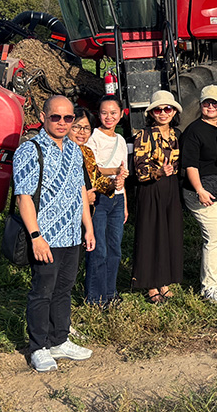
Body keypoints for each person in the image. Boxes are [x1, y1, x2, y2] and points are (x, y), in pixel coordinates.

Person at [14, 95, 95, 373]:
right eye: (56, 117)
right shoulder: (30, 150)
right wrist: (36, 236)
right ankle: (38, 346)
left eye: (68, 118)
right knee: (42, 292)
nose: (62, 123)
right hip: (46, 236)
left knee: (63, 289)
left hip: (72, 234)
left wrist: (88, 227)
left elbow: (81, 192)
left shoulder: (75, 151)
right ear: (44, 116)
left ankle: (59, 339)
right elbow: (23, 197)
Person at [179, 85, 217, 305]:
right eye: (207, 103)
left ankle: (215, 280)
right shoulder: (194, 131)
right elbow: (190, 165)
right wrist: (199, 190)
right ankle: (209, 287)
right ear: (200, 105)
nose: (211, 107)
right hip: (201, 191)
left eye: (215, 103)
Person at [131, 91, 184, 304]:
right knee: (150, 235)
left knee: (169, 234)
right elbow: (140, 169)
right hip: (151, 187)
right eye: (158, 109)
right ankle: (151, 284)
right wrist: (158, 172)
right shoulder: (143, 135)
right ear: (151, 113)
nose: (163, 113)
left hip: (170, 189)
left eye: (167, 109)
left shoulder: (176, 135)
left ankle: (165, 281)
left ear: (174, 112)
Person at [84, 95, 129, 306]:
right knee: (98, 250)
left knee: (114, 250)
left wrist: (125, 203)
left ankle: (110, 293)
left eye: (113, 113)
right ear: (98, 114)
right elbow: (93, 168)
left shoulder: (120, 140)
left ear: (121, 114)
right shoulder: (93, 138)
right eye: (104, 113)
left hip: (117, 201)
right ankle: (95, 297)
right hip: (100, 199)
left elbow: (123, 176)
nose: (109, 117)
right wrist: (115, 171)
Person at [69, 108, 121, 215]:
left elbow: (96, 179)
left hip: (86, 214)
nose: (82, 132)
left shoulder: (87, 152)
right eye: (76, 127)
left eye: (86, 128)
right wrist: (83, 200)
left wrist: (113, 184)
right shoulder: (61, 153)